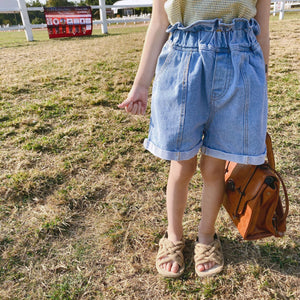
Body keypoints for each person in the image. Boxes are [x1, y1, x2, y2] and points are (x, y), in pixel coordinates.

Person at [118, 0, 270, 278]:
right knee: (182, 164)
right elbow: (159, 23)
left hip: (240, 62)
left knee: (214, 168)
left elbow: (263, 26)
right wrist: (140, 84)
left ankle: (206, 237)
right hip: (182, 62)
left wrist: (262, 80)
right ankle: (174, 237)